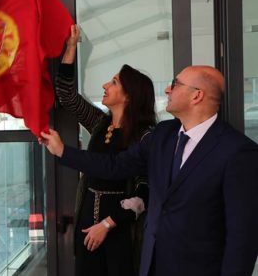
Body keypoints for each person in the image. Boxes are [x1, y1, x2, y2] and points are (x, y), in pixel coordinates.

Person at [41, 65, 258, 276]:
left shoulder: (238, 152)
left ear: (196, 96)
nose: (167, 89)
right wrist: (63, 151)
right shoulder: (163, 135)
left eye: (175, 84)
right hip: (153, 264)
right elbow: (115, 165)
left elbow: (243, 236)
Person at [57, 25, 156, 276]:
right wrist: (70, 48)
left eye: (113, 82)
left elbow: (144, 194)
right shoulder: (100, 122)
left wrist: (107, 224)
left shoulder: (145, 135)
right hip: (86, 225)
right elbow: (67, 96)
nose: (105, 85)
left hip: (121, 231)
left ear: (129, 96)